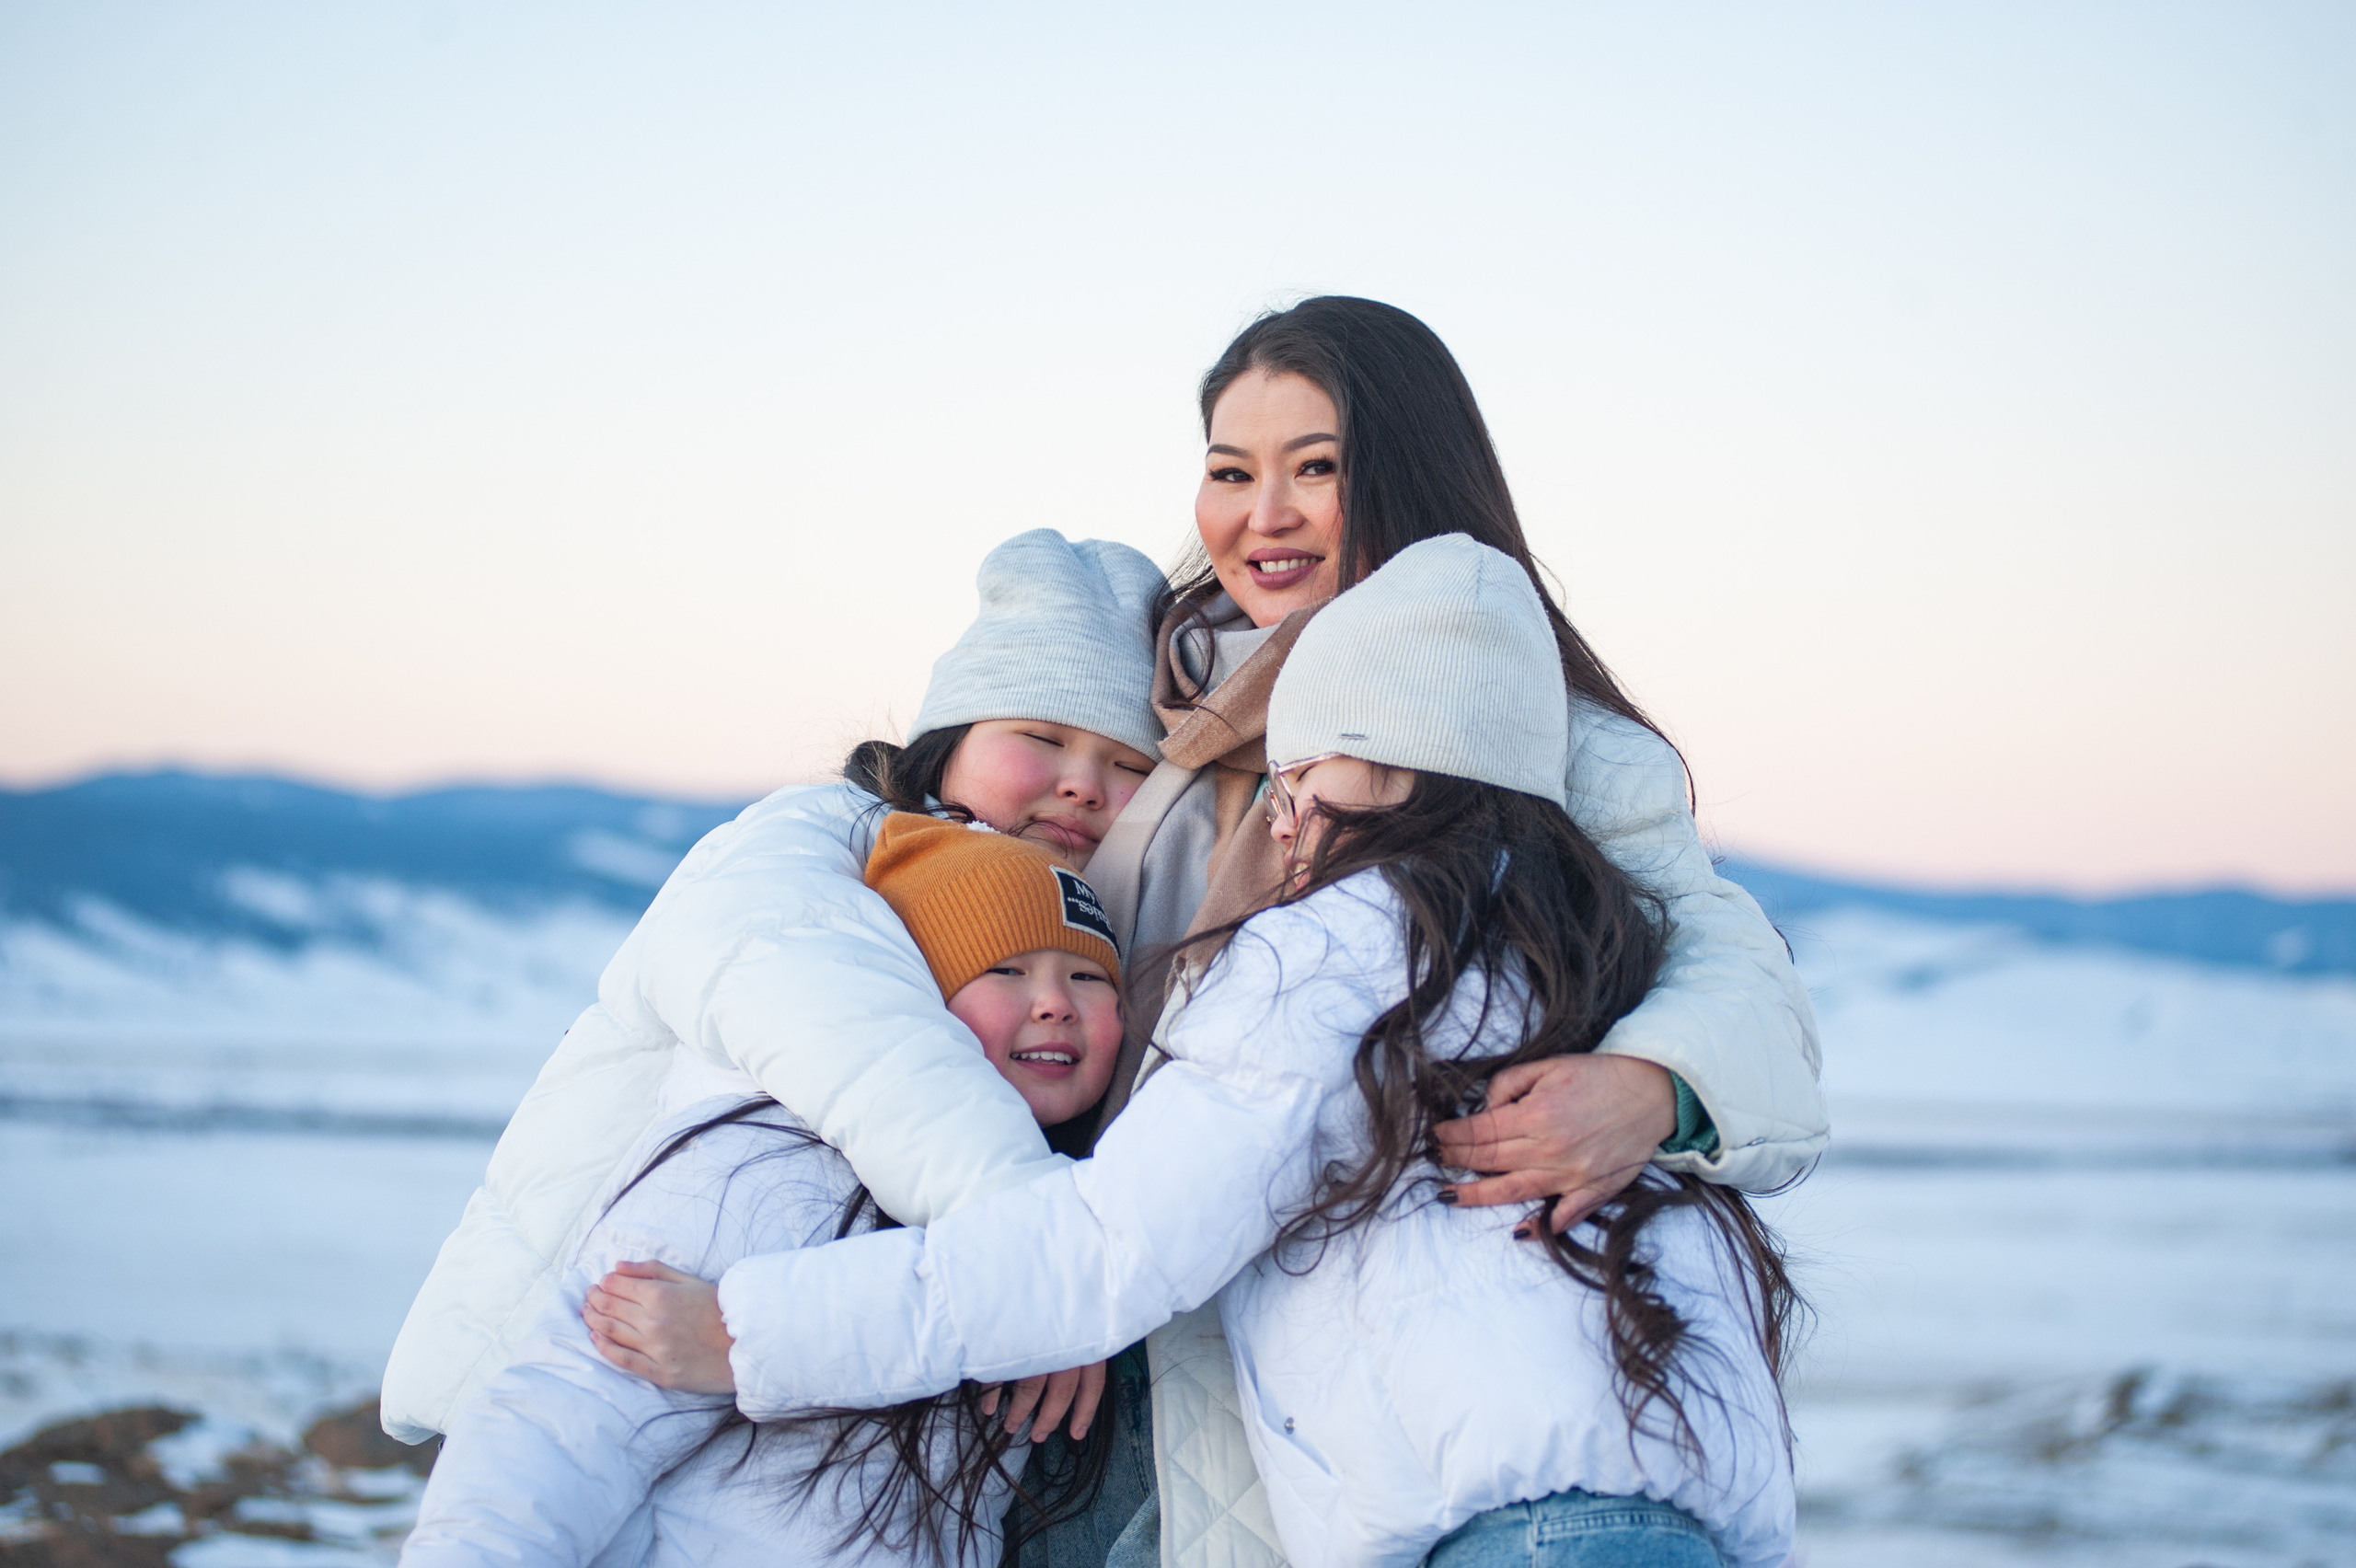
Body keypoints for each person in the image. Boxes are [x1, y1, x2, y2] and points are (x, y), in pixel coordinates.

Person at [591, 299, 1828, 1568]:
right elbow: (938, 854)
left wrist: (1655, 1086)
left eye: (1317, 468)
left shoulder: (1544, 738)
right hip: (1057, 1291)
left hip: (1270, 1337)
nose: (1264, 514)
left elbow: (1735, 972)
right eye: (1232, 472)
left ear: (1410, 474)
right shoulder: (1156, 695)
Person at [381, 530, 1171, 1445]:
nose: (1082, 785)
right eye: (1041, 738)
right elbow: (843, 1024)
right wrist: (1034, 1263)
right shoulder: (815, 837)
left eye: (1128, 766)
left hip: (734, 1376)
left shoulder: (1057, 918)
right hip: (581, 1354)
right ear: (947, 741)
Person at [400, 815, 1134, 1567]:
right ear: (919, 1008)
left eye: (1088, 977)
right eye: (1004, 971)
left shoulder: (1068, 1207)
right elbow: (564, 1422)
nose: (1054, 1002)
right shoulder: (768, 1166)